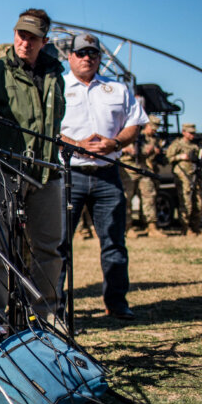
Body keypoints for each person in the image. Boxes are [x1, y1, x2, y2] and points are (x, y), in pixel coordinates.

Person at [0, 10, 66, 325]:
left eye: (32, 37)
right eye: (20, 34)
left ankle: (46, 314)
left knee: (49, 248)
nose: (24, 42)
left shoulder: (55, 74)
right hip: (2, 172)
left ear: (44, 40)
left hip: (46, 172)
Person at [59, 34, 148, 321]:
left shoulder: (117, 89)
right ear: (69, 57)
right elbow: (48, 127)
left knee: (113, 241)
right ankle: (55, 305)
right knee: (58, 243)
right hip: (69, 174)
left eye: (93, 54)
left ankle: (117, 301)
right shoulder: (58, 87)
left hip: (108, 175)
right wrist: (76, 144)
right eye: (81, 53)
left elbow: (135, 122)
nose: (88, 58)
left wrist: (115, 143)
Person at [123, 118, 166, 237]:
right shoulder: (127, 134)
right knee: (126, 199)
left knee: (149, 197)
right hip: (128, 170)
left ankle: (151, 226)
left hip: (143, 169)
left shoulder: (149, 139)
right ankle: (127, 227)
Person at [166, 123, 202, 236]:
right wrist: (180, 157)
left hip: (195, 176)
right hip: (183, 177)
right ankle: (185, 228)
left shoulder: (195, 146)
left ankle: (196, 227)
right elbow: (168, 158)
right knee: (186, 203)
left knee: (199, 202)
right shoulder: (177, 144)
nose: (193, 135)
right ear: (184, 132)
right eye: (190, 133)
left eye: (194, 133)